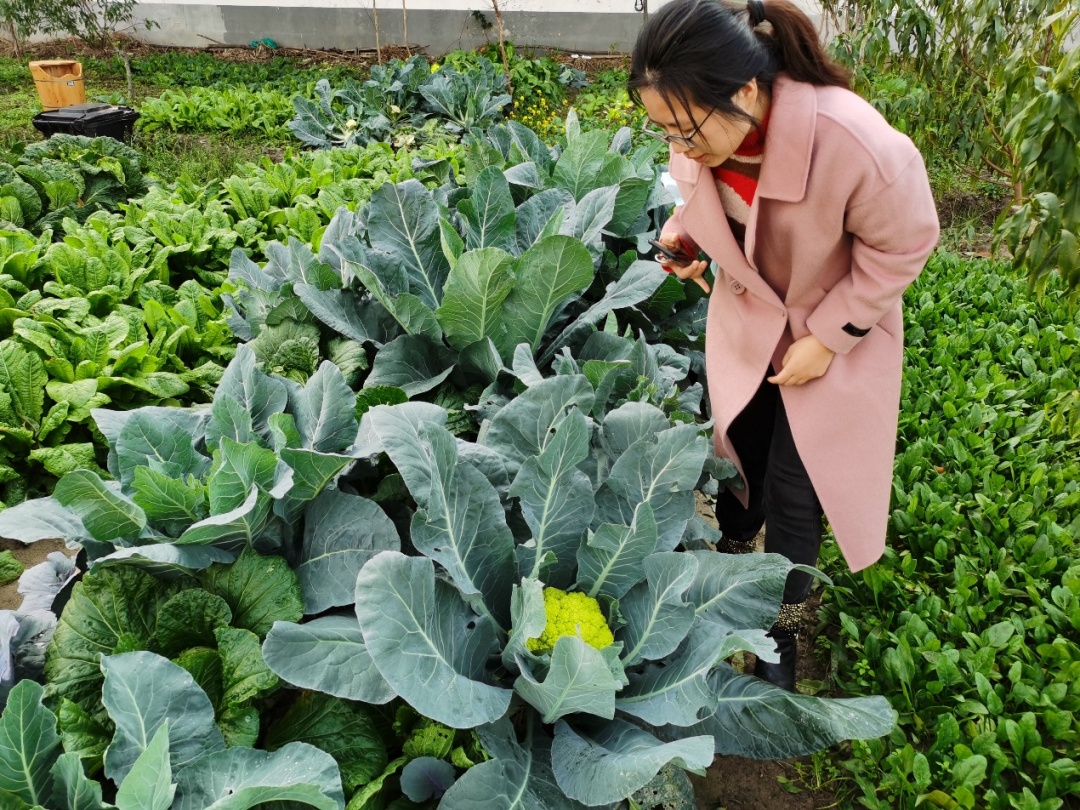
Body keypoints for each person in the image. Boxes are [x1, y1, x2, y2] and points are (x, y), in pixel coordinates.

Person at [629, 0, 939, 690]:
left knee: (798, 488)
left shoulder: (853, 141)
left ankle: (783, 637)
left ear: (745, 91)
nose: (678, 146)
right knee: (740, 454)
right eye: (665, 130)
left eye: (685, 129)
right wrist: (689, 238)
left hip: (828, 337)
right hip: (749, 328)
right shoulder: (703, 131)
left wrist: (828, 339)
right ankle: (734, 571)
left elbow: (906, 242)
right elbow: (711, 202)